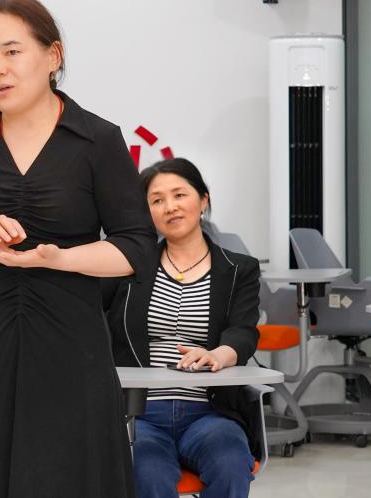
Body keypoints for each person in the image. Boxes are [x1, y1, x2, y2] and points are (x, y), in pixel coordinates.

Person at [0, 0, 158, 497]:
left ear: (53, 56)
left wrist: (61, 258)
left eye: (11, 51)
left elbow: (137, 250)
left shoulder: (98, 140)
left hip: (73, 352)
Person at [104, 158, 261, 498]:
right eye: (157, 200)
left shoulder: (239, 269)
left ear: (203, 200)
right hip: (139, 413)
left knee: (231, 463)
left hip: (209, 411)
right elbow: (89, 315)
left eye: (179, 195)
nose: (170, 207)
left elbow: (244, 330)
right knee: (147, 474)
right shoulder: (127, 266)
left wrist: (220, 354)